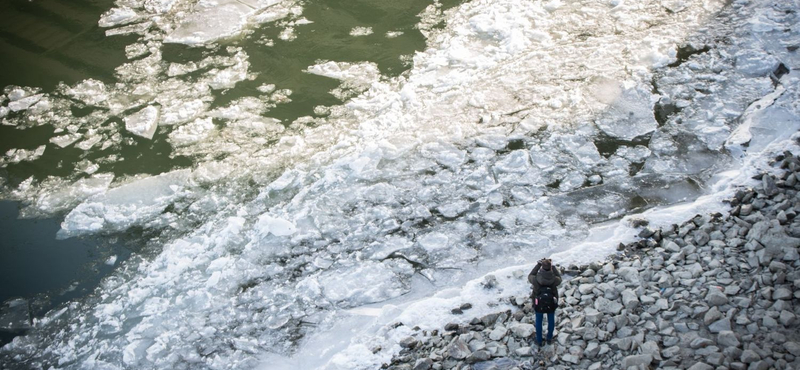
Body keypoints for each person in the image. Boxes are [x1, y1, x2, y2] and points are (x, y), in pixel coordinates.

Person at [528, 258, 561, 346]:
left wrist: (538, 265)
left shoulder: (536, 279)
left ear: (541, 268)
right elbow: (560, 278)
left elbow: (530, 275)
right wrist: (553, 267)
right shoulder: (554, 279)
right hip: (551, 302)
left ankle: (539, 340)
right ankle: (549, 338)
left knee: (539, 321)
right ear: (550, 268)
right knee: (551, 320)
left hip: (538, 303)